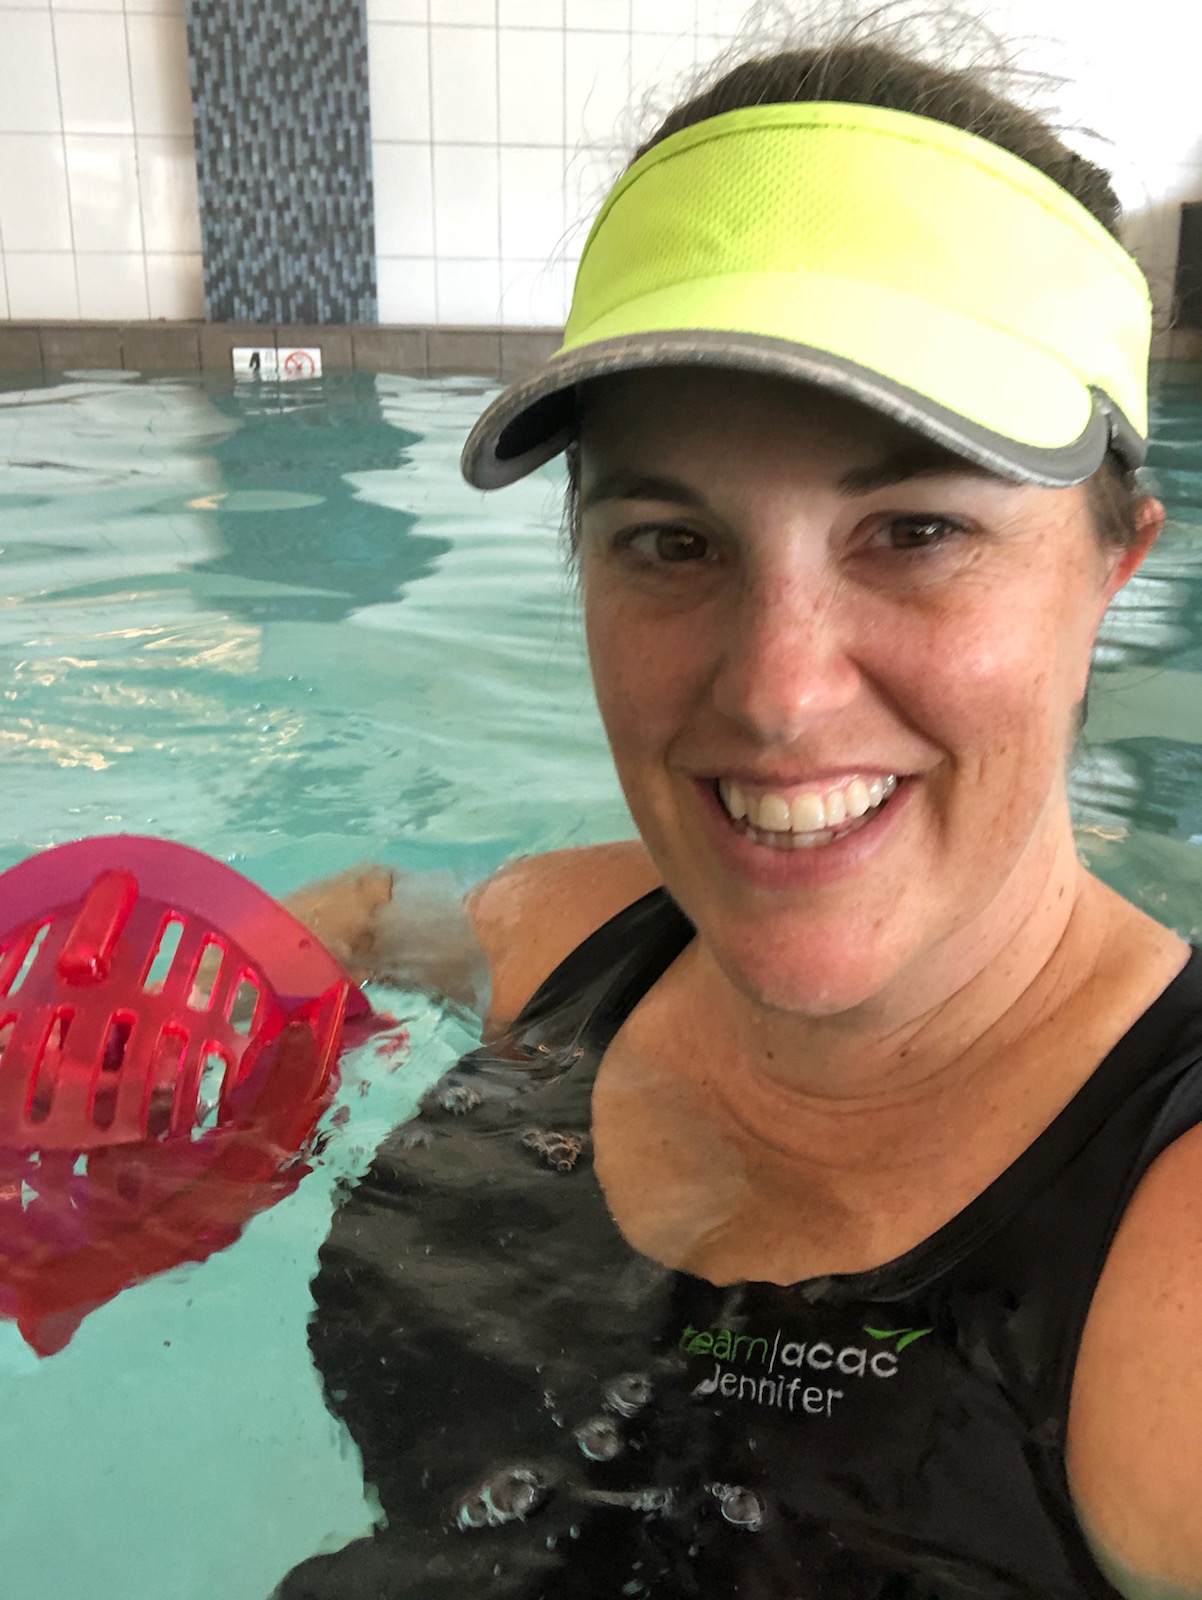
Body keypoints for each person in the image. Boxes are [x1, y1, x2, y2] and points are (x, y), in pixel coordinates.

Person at [275, 21, 1202, 1600]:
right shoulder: (572, 934)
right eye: (669, 541)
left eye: (913, 529)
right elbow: (364, 917)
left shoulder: (1161, 1265)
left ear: (1112, 565)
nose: (776, 694)